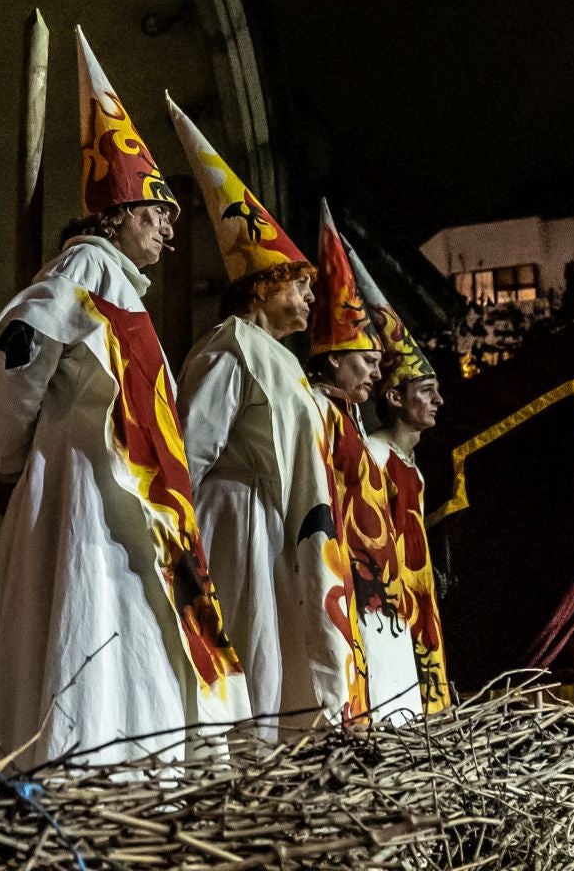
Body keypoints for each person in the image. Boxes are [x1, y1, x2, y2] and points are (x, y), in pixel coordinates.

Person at [0, 32, 246, 770]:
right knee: (90, 631)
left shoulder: (118, 286)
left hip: (113, 502)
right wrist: (7, 460)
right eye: (157, 211)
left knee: (117, 637)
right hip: (83, 497)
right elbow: (18, 353)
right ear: (117, 210)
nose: (168, 229)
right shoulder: (87, 269)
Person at [171, 100, 363, 737]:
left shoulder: (278, 360)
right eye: (299, 284)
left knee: (280, 658)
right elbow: (192, 448)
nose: (311, 297)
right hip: (236, 520)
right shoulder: (229, 345)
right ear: (260, 287)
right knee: (254, 655)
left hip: (277, 527)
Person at [304, 202, 410, 718]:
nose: (374, 374)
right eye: (367, 362)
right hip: (346, 579)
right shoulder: (317, 411)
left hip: (379, 586)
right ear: (333, 357)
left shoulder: (351, 417)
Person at [346, 232, 452, 713]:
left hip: (419, 593)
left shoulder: (415, 467)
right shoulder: (374, 453)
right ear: (393, 397)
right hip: (384, 599)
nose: (437, 402)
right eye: (425, 391)